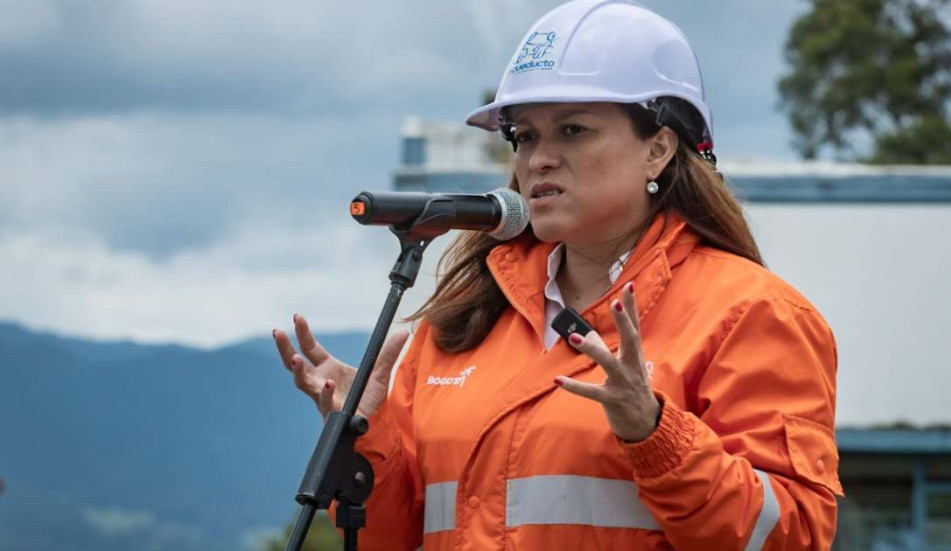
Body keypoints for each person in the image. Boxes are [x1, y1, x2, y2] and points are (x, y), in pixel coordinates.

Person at [273, 1, 842, 549]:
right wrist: (367, 434)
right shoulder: (458, 323)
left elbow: (789, 537)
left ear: (659, 149)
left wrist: (656, 435)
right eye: (524, 136)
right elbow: (389, 539)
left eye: (572, 130)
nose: (537, 159)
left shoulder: (753, 313)